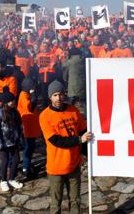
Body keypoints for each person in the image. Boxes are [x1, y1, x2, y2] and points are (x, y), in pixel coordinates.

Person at [39, 81, 93, 214]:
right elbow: (56, 141)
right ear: (50, 97)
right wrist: (79, 140)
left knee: (75, 201)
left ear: (65, 95)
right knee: (55, 204)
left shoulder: (73, 110)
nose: (58, 98)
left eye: (61, 94)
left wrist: (84, 153)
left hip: (74, 165)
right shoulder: (45, 116)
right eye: (55, 95)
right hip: (56, 168)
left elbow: (83, 131)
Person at [0, 87, 24, 192]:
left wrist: (20, 137)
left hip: (14, 141)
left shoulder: (15, 112)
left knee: (16, 159)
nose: (13, 102)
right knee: (4, 161)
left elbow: (20, 125)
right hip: (3, 143)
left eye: (13, 100)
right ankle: (3, 180)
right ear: (5, 102)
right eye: (10, 101)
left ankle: (12, 178)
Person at [0, 60, 19, 173]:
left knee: (8, 141)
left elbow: (10, 96)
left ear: (3, 68)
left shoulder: (11, 79)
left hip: (7, 115)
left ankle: (9, 164)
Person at [17, 77, 42, 179]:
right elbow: (30, 107)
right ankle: (25, 168)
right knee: (28, 148)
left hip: (30, 126)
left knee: (30, 147)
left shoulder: (24, 94)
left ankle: (27, 165)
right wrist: (33, 95)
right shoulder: (24, 96)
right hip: (27, 128)